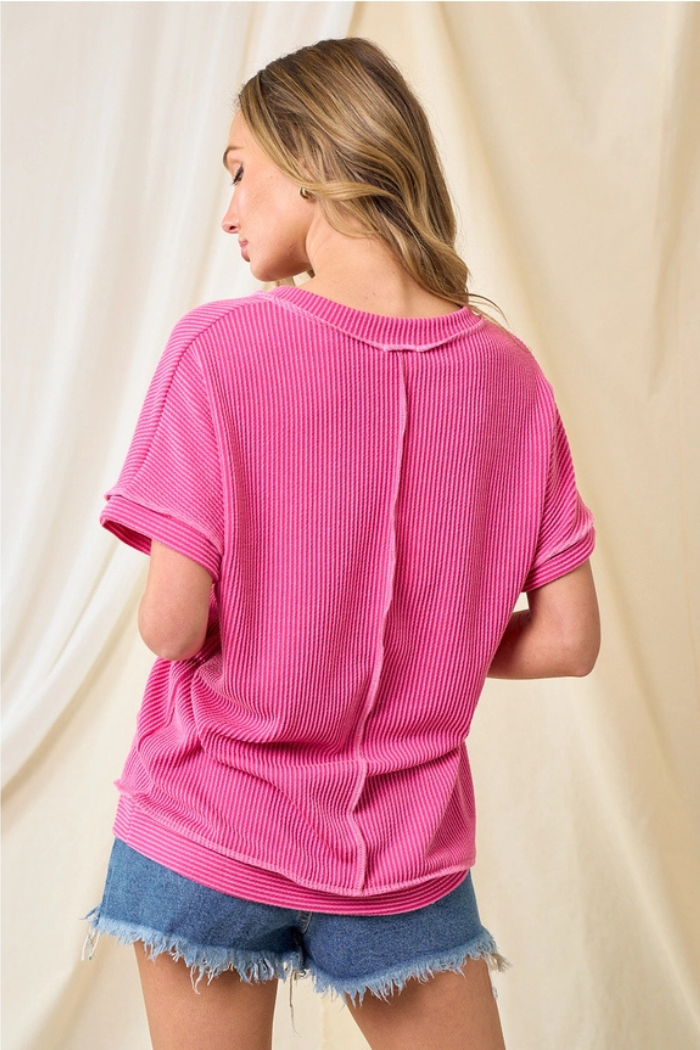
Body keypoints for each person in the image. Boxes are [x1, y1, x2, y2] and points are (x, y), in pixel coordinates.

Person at [82, 37, 600, 1050]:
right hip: (404, 849)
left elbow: (171, 624)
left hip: (207, 829)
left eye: (238, 171)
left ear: (312, 155)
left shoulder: (218, 350)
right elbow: (568, 640)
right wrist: (435, 642)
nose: (226, 211)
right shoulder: (511, 377)